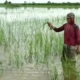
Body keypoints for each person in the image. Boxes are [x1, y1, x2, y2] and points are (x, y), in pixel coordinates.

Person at [47, 12, 80, 80]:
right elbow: (57, 30)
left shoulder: (76, 27)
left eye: (68, 18)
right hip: (65, 46)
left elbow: (78, 38)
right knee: (64, 60)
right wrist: (51, 26)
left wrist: (78, 47)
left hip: (72, 47)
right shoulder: (65, 25)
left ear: (72, 18)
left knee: (72, 62)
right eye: (67, 18)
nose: (67, 19)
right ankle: (66, 75)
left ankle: (73, 76)